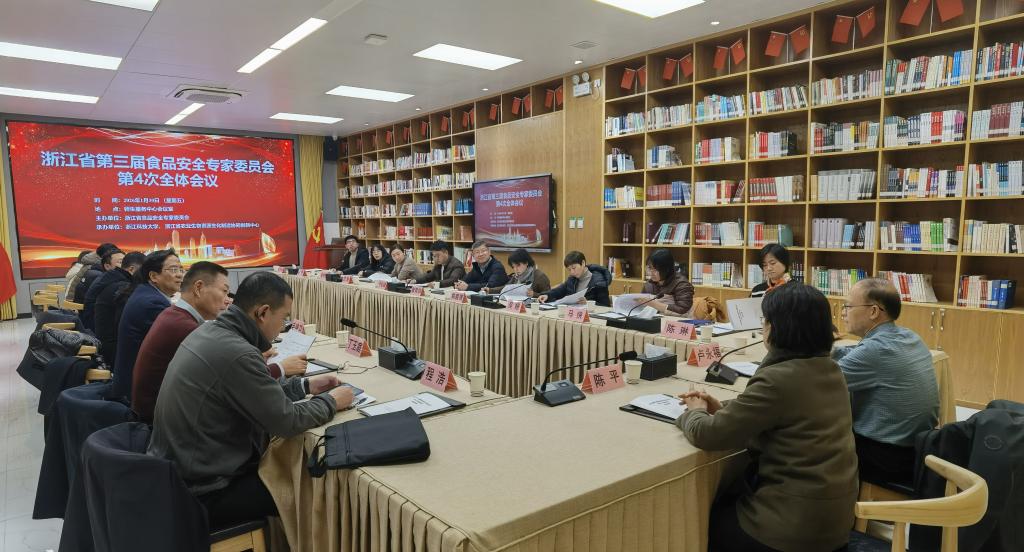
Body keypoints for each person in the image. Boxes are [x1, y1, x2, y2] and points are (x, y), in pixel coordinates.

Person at [148, 272, 354, 528]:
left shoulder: (210, 331)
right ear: (263, 312)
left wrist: (305, 385)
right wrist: (332, 401)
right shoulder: (237, 351)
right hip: (204, 492)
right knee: (318, 485)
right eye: (283, 318)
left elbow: (252, 392)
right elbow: (287, 421)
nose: (283, 326)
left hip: (176, 476)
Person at [678, 283, 857, 552]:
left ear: (775, 327)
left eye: (765, 320)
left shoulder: (778, 378)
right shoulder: (831, 369)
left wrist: (693, 411)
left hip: (792, 529)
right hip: (834, 524)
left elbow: (708, 435)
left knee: (701, 521)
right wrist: (724, 408)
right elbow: (780, 410)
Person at [833, 277, 938, 488]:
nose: (843, 312)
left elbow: (821, 380)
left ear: (873, 311)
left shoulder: (875, 350)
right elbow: (857, 352)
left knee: (814, 441)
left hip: (887, 457)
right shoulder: (910, 336)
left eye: (848, 306)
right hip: (920, 446)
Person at [131, 262, 232, 423]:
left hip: (156, 412)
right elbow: (229, 374)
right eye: (224, 291)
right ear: (198, 288)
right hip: (162, 422)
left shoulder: (174, 314)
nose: (227, 300)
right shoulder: (184, 327)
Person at [108, 249, 183, 400]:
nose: (180, 275)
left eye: (181, 269)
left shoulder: (147, 293)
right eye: (173, 270)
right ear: (154, 276)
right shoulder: (152, 304)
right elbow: (181, 345)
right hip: (139, 393)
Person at [93, 252, 145, 362]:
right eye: (144, 271)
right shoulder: (122, 287)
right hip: (113, 350)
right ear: (132, 269)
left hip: (102, 340)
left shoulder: (112, 278)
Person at [538, 251, 612, 307]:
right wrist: (547, 295)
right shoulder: (572, 279)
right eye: (569, 270)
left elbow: (605, 305)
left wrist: (588, 303)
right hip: (573, 315)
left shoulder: (599, 281)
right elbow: (559, 290)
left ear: (583, 263)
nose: (572, 272)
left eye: (574, 268)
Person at [81, 248, 124, 331]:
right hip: (96, 331)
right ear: (107, 266)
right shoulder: (111, 283)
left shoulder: (105, 277)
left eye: (126, 262)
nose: (126, 265)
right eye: (121, 262)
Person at [642, 248, 695, 315]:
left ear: (667, 269)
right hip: (653, 319)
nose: (652, 273)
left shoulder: (682, 284)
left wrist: (654, 304)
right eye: (650, 268)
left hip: (677, 320)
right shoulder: (650, 284)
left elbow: (683, 310)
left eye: (656, 269)